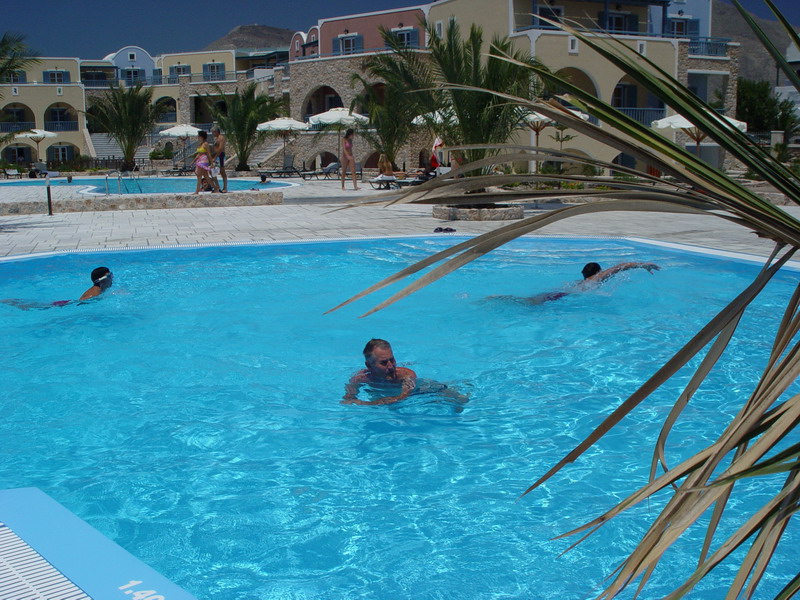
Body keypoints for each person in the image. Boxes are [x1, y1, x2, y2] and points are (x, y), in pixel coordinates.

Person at [525, 261, 661, 304]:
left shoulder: (580, 281)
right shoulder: (597, 278)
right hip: (564, 297)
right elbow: (621, 266)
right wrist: (643, 265)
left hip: (558, 294)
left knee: (530, 301)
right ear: (598, 271)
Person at [342, 339, 417, 405]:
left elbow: (404, 397)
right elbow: (348, 400)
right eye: (384, 363)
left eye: (392, 360)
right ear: (369, 365)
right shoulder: (360, 379)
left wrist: (366, 403)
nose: (391, 366)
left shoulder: (406, 375)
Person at [1, 266, 113, 310]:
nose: (112, 278)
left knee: (41, 305)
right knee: (40, 306)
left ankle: (16, 302)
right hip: (66, 304)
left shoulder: (99, 289)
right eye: (109, 276)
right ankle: (15, 302)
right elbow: (80, 303)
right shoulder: (95, 292)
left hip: (67, 302)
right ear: (101, 280)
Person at [211, 126, 227, 193]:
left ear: (216, 131)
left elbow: (220, 148)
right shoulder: (217, 138)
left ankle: (225, 187)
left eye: (213, 132)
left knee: (222, 172)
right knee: (212, 171)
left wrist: (215, 157)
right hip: (216, 156)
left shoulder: (221, 138)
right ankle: (217, 187)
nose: (212, 134)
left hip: (220, 156)